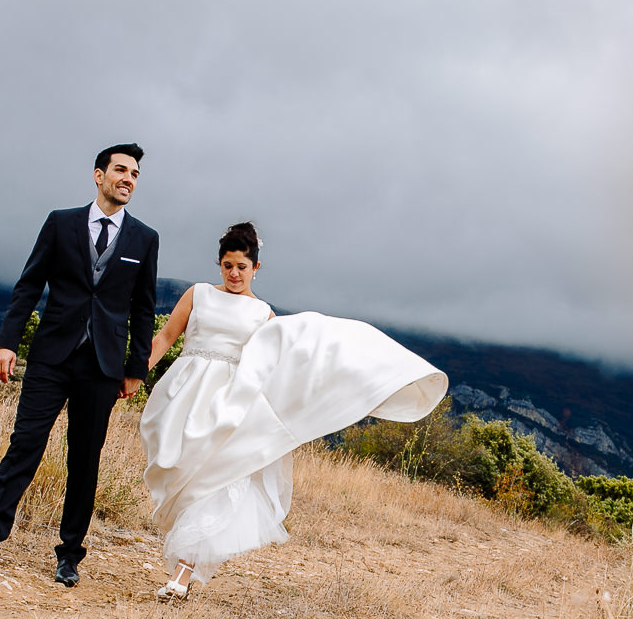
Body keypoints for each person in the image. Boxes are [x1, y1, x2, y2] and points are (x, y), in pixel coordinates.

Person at [140, 222, 448, 599]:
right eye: (227, 265)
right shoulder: (198, 294)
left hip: (230, 405)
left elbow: (290, 359)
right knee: (180, 470)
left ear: (256, 267)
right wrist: (136, 375)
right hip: (185, 395)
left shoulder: (263, 315)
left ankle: (182, 575)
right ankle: (182, 564)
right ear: (219, 264)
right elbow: (165, 337)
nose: (234, 274)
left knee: (215, 481)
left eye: (242, 266)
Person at [0, 144, 159, 586]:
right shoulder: (60, 223)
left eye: (135, 174)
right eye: (120, 170)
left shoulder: (145, 238)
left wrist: (135, 369)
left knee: (84, 461)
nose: (128, 179)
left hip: (103, 366)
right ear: (98, 175)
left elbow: (143, 308)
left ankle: (69, 556)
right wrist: (7, 343)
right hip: (51, 357)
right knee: (24, 443)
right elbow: (28, 285)